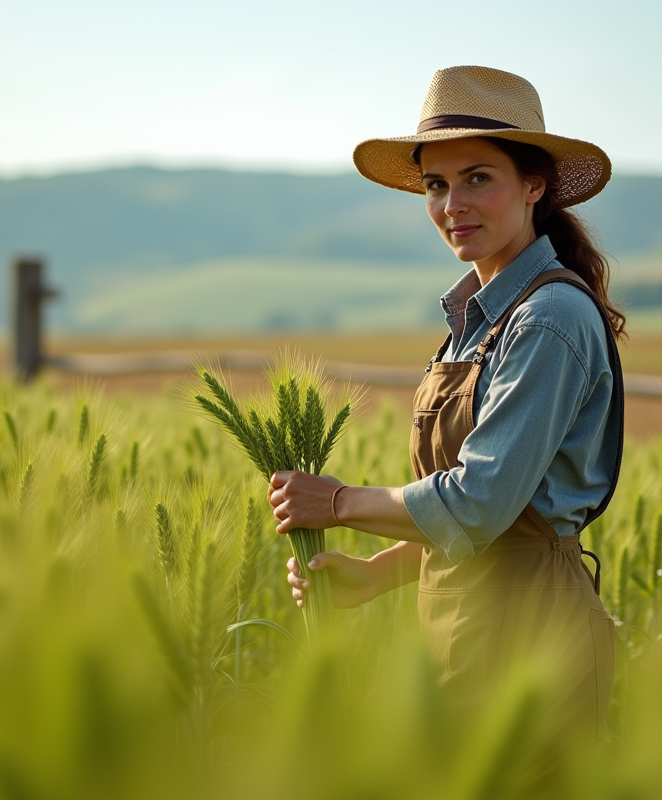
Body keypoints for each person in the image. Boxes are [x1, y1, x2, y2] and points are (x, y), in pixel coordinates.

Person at [267, 65, 625, 738]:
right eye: (436, 184)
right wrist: (378, 575)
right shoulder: (483, 317)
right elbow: (489, 516)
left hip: (530, 642)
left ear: (534, 186)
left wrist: (338, 503)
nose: (451, 204)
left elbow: (482, 502)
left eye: (477, 178)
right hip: (460, 637)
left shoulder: (547, 318)